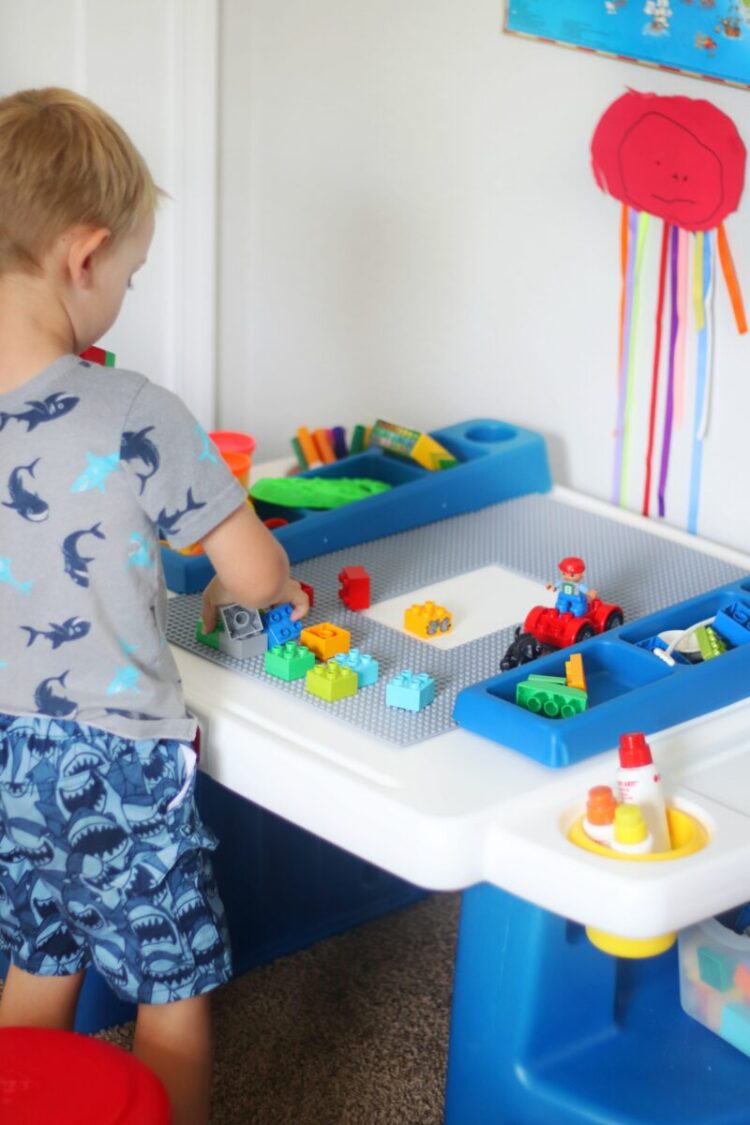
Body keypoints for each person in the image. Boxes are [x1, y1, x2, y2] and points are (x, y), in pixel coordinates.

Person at [0, 87, 309, 1125]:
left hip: (4, 755)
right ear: (83, 259)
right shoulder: (132, 410)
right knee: (171, 991)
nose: (125, 293)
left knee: (39, 958)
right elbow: (257, 574)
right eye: (130, 275)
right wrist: (246, 583)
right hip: (119, 765)